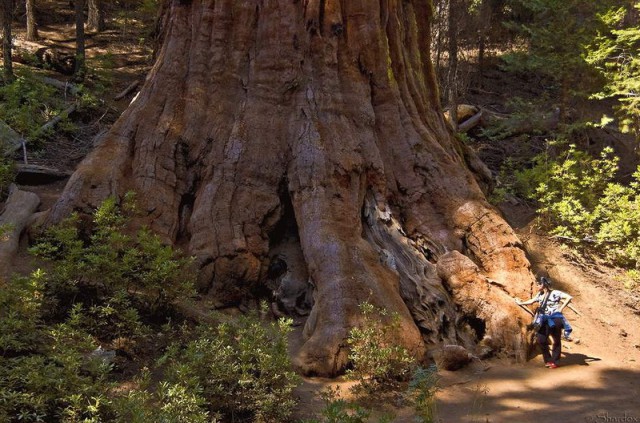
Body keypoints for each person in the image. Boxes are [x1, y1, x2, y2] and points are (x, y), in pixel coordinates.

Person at [516, 277, 574, 368]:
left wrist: (560, 308)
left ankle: (555, 362)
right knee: (541, 339)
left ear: (544, 284)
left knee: (556, 340)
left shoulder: (555, 293)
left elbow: (569, 297)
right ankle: (548, 360)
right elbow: (532, 301)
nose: (537, 286)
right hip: (544, 319)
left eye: (539, 284)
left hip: (555, 319)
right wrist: (520, 303)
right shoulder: (540, 294)